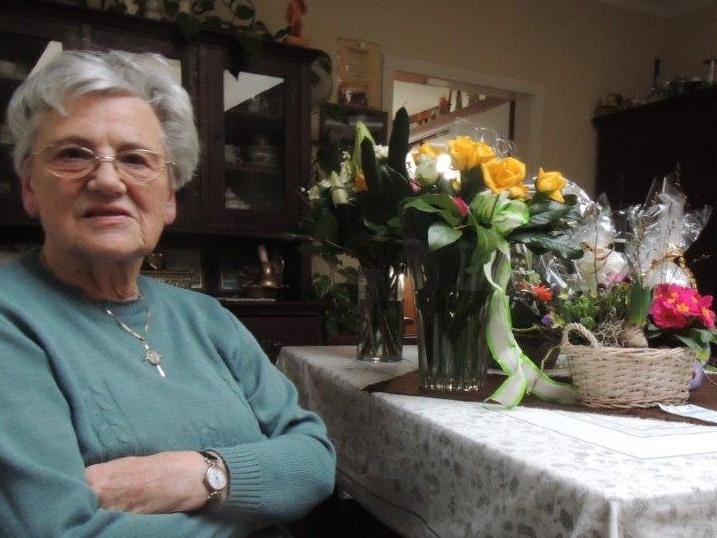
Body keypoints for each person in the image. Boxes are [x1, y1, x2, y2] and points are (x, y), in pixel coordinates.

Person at [0, 50, 335, 537]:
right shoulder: (11, 319)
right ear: (30, 187)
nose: (107, 180)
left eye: (136, 159)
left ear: (170, 197)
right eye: (73, 154)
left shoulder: (207, 317)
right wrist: (259, 499)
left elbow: (315, 461)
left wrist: (199, 475)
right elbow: (62, 530)